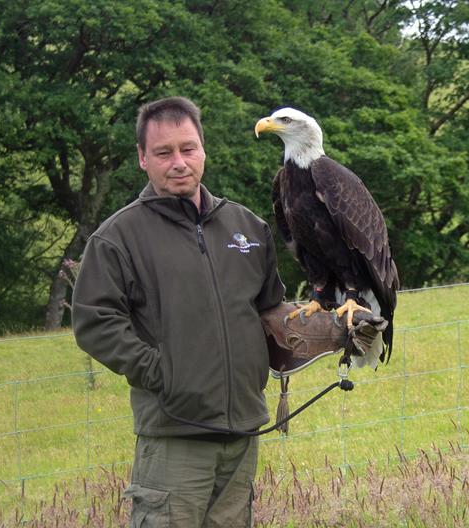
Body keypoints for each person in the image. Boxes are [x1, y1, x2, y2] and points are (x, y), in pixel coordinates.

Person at [72, 96, 349, 526]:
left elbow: (269, 313)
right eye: (164, 153)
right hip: (174, 435)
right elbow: (94, 321)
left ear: (203, 150)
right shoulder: (117, 238)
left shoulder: (247, 228)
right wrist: (162, 373)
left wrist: (330, 329)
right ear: (143, 159)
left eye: (188, 148)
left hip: (241, 433)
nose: (179, 162)